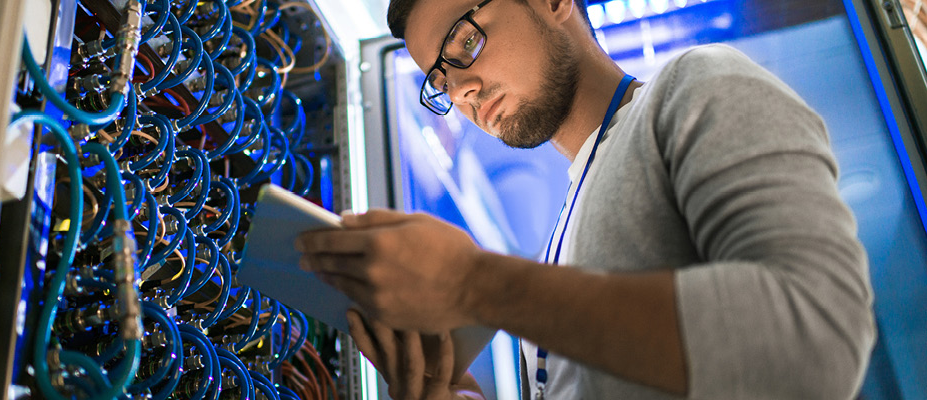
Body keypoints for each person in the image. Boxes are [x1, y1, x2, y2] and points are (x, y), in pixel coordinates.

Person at [295, 0, 877, 398]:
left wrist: (474, 284)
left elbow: (813, 339)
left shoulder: (698, 87)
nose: (463, 91)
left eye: (464, 42)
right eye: (441, 83)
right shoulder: (559, 242)